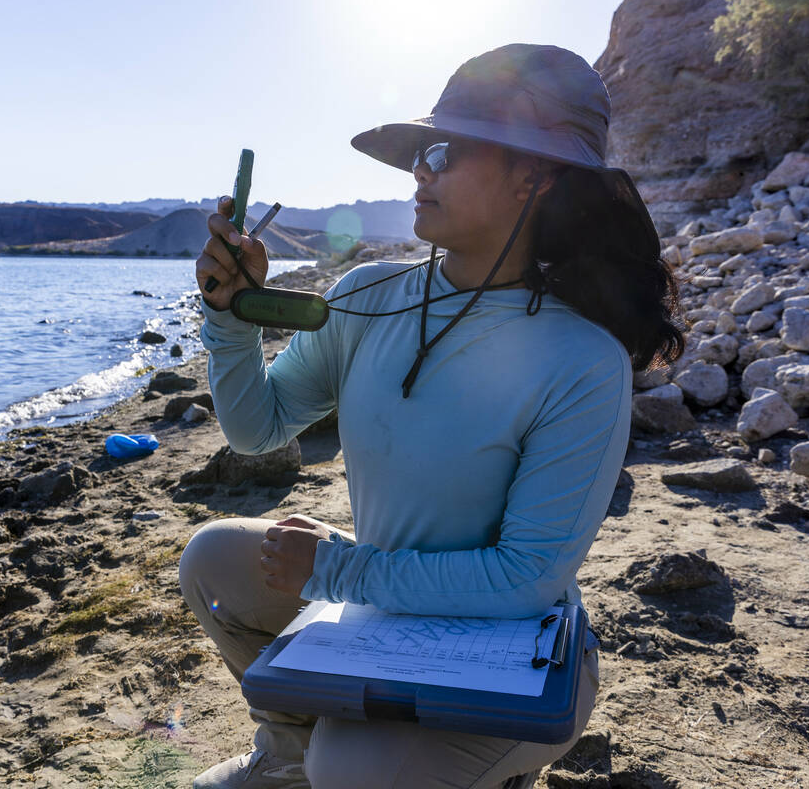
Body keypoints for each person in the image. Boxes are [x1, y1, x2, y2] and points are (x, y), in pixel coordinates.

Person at [179, 43, 685, 789]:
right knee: (216, 561)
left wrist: (339, 569)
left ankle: (472, 768)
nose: (422, 169)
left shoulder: (582, 359)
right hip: (383, 607)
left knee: (350, 769)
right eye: (422, 151)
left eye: (445, 152)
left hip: (516, 651)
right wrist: (229, 317)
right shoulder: (370, 294)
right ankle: (285, 759)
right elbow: (259, 427)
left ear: (534, 177)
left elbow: (524, 583)